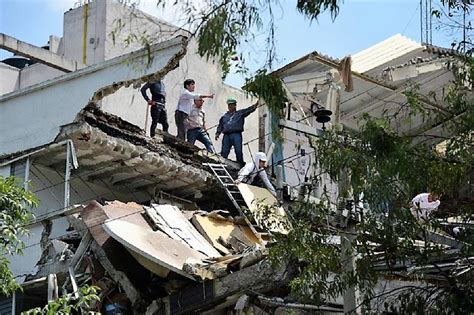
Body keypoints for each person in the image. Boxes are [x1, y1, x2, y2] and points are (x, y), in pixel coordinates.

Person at [215, 97, 257, 166]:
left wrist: (255, 105)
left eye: (231, 105)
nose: (230, 106)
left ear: (235, 105)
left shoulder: (240, 113)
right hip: (226, 135)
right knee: (224, 151)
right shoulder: (225, 116)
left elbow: (249, 110)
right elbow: (220, 125)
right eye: (229, 105)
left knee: (238, 150)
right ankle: (222, 164)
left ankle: (240, 164)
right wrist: (217, 133)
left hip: (236, 134)